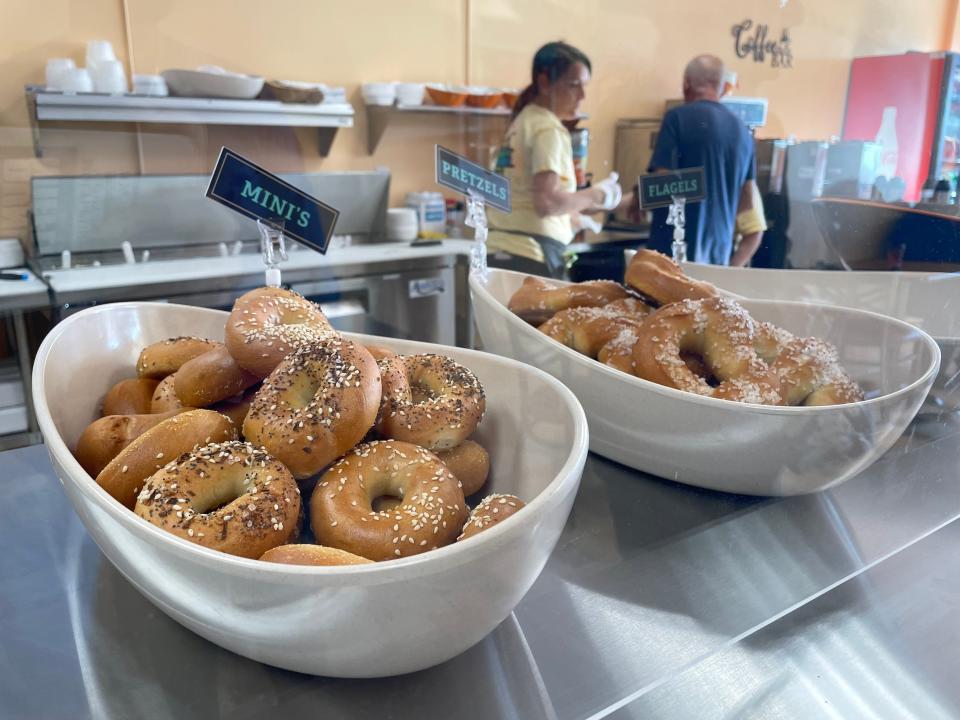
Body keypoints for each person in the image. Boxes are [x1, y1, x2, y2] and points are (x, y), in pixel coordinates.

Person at [487, 41, 624, 278]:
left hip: (502, 251)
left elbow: (537, 196)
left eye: (585, 86)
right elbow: (548, 203)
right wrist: (597, 194)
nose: (582, 95)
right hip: (532, 256)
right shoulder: (548, 130)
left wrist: (613, 200)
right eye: (573, 85)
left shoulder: (523, 121)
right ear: (544, 83)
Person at [647, 54, 762, 266]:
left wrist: (636, 199)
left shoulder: (677, 118)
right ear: (721, 86)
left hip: (673, 256)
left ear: (686, 82)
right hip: (718, 257)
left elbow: (661, 186)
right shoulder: (743, 132)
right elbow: (747, 201)